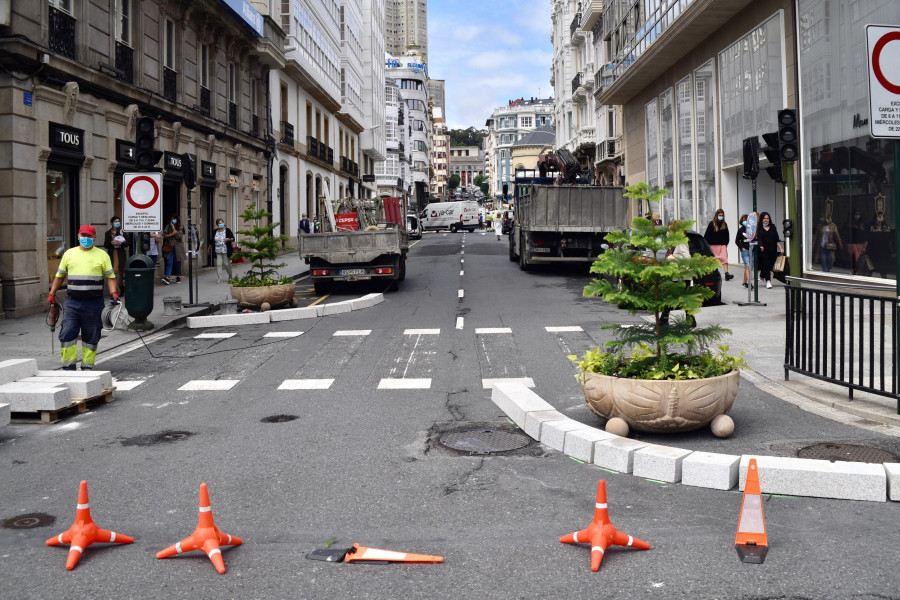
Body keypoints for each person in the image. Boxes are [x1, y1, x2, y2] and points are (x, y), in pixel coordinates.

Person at [47, 225, 119, 370]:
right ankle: (68, 367)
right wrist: (51, 293)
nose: (86, 238)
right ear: (78, 236)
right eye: (83, 235)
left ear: (94, 238)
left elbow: (110, 277)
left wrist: (113, 293)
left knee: (91, 336)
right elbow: (59, 276)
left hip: (94, 303)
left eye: (89, 236)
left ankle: (87, 367)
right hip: (72, 302)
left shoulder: (102, 255)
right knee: (67, 332)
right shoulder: (69, 254)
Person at [103, 216, 131, 296]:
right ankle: (113, 290)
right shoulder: (108, 233)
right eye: (115, 221)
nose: (117, 223)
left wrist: (121, 243)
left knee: (120, 272)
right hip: (112, 253)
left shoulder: (122, 232)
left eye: (118, 221)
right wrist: (111, 243)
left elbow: (128, 242)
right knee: (113, 272)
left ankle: (121, 288)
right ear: (112, 223)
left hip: (120, 253)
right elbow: (105, 245)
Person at [703, 208, 733, 280]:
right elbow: (707, 235)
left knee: (724, 258)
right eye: (720, 215)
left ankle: (726, 274)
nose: (721, 216)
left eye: (722, 215)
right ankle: (714, 273)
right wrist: (707, 245)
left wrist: (726, 243)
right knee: (714, 260)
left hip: (722, 245)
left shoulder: (724, 224)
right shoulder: (711, 224)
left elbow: (727, 235)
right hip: (713, 245)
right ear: (716, 215)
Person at [756, 211, 783, 288]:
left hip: (772, 250)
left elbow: (776, 239)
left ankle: (761, 277)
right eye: (764, 218)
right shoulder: (759, 228)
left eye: (767, 218)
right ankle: (768, 281)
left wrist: (780, 248)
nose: (766, 220)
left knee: (770, 266)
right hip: (763, 251)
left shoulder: (773, 227)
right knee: (766, 265)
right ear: (761, 219)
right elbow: (759, 239)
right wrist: (760, 246)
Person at [866, 211, 894, 278]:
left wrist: (890, 250)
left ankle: (884, 279)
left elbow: (889, 239)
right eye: (879, 217)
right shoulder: (871, 227)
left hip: (884, 251)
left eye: (882, 217)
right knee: (871, 267)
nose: (881, 218)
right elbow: (868, 238)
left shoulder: (886, 227)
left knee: (883, 268)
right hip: (873, 250)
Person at [209, 218, 235, 283]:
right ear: (217, 224)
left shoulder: (228, 230)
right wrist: (208, 249)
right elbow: (211, 241)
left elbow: (233, 238)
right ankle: (219, 278)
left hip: (226, 250)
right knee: (219, 264)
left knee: (227, 264)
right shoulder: (215, 231)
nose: (221, 224)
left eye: (222, 223)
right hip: (218, 250)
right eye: (219, 223)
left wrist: (228, 239)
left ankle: (230, 276)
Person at [161, 215, 185, 284]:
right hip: (170, 246)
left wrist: (173, 228)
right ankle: (167, 277)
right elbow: (164, 235)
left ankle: (178, 277)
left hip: (178, 247)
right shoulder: (168, 226)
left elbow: (178, 236)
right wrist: (172, 233)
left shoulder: (181, 226)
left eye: (174, 219)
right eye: (172, 219)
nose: (173, 220)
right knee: (169, 261)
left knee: (177, 262)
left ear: (177, 219)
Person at [847, 208, 868, 274]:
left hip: (861, 245)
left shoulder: (863, 225)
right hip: (853, 245)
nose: (857, 216)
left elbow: (866, 237)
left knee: (861, 260)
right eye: (856, 214)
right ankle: (855, 271)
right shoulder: (850, 225)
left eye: (858, 214)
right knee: (854, 260)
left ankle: (860, 272)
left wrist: (865, 246)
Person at [735, 214, 752, 288]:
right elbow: (737, 241)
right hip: (745, 251)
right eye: (744, 220)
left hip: (751, 249)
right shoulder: (740, 230)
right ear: (741, 221)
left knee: (748, 267)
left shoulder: (752, 229)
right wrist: (742, 248)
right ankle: (749, 283)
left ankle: (744, 282)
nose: (745, 221)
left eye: (746, 220)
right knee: (747, 266)